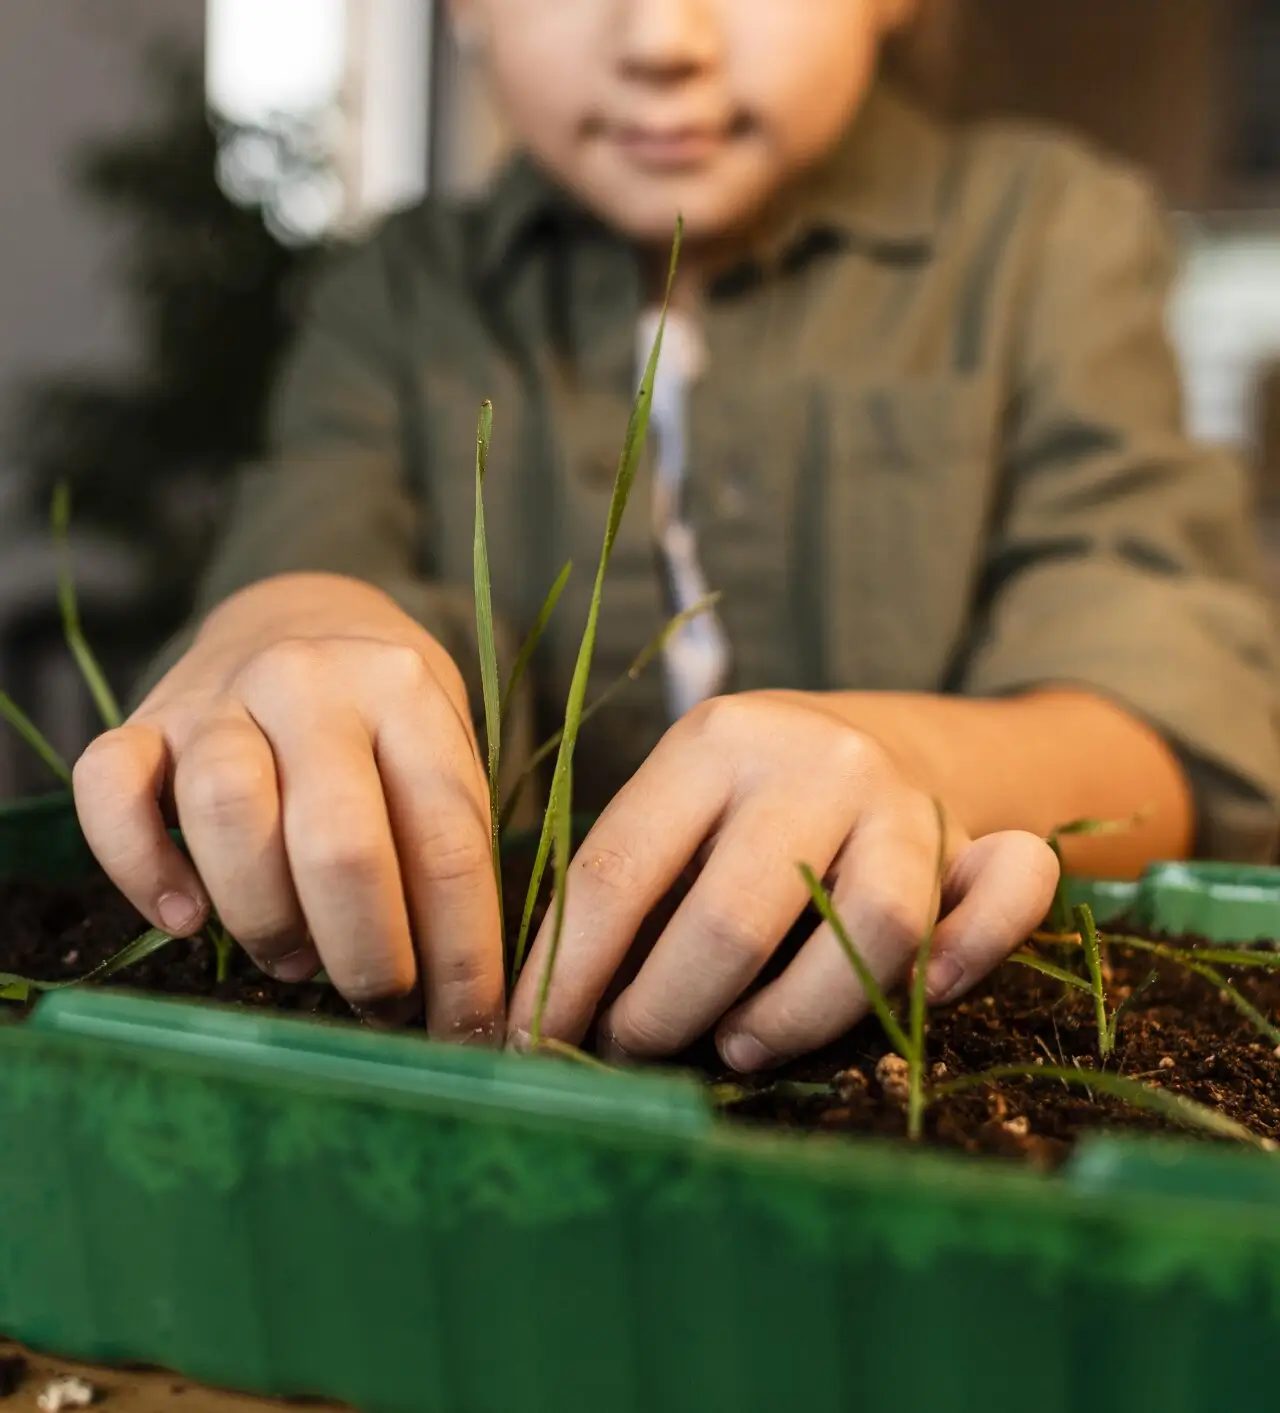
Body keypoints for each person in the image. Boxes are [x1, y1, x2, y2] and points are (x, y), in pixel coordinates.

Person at [72, 0, 1279, 1073]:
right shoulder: (401, 287)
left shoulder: (1044, 238)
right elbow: (313, 549)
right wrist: (287, 628)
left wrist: (916, 768)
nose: (661, 41)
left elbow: (1172, 718)